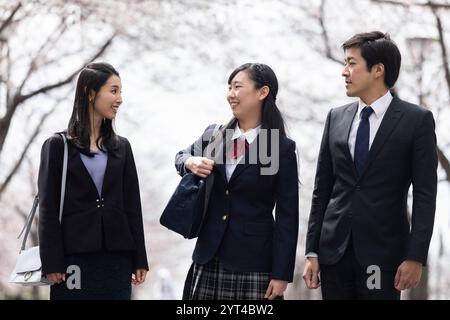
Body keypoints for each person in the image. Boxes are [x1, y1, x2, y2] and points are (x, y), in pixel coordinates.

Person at [303, 31, 438, 300]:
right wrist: (312, 251)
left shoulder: (416, 121)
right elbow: (323, 189)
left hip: (383, 257)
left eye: (352, 63)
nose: (344, 72)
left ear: (378, 70)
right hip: (334, 255)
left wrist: (416, 256)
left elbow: (425, 194)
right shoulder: (336, 118)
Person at [175, 63, 299, 300]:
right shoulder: (216, 135)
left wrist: (281, 273)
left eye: (238, 87)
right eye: (229, 87)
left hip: (254, 261)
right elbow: (180, 156)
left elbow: (287, 215)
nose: (230, 94)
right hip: (209, 255)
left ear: (262, 92)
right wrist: (190, 162)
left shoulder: (276, 147)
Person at [38, 62, 148, 299]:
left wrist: (140, 258)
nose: (120, 99)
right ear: (90, 93)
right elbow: (47, 208)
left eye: (120, 92)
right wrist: (52, 262)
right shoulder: (58, 146)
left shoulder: (122, 147)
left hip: (117, 260)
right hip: (72, 260)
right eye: (113, 90)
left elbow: (132, 206)